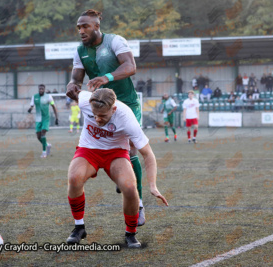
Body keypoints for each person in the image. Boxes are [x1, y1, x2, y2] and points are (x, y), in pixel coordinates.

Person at [66, 9, 146, 225]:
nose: (81, 31)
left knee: (130, 149)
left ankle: (138, 204)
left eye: (85, 26)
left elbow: (131, 67)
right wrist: (72, 87)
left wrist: (106, 77)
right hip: (101, 105)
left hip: (126, 102)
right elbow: (76, 78)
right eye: (79, 28)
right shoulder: (80, 51)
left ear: (96, 26)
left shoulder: (115, 41)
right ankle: (120, 175)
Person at [65, 88, 168, 248]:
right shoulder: (85, 99)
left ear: (113, 109)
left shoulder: (126, 118)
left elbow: (148, 154)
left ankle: (130, 233)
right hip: (89, 149)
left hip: (116, 153)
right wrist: (72, 84)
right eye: (95, 115)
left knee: (129, 187)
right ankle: (79, 228)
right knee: (74, 178)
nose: (97, 120)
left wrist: (153, 185)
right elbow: (73, 85)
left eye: (103, 116)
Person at [28, 84, 59, 158]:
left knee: (43, 133)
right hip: (38, 119)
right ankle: (47, 145)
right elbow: (32, 106)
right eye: (40, 89)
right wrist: (30, 109)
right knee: (38, 137)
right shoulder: (34, 97)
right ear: (38, 89)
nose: (41, 90)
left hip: (46, 119)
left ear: (44, 89)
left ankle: (44, 152)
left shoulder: (48, 97)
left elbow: (54, 107)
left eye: (42, 89)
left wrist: (56, 118)